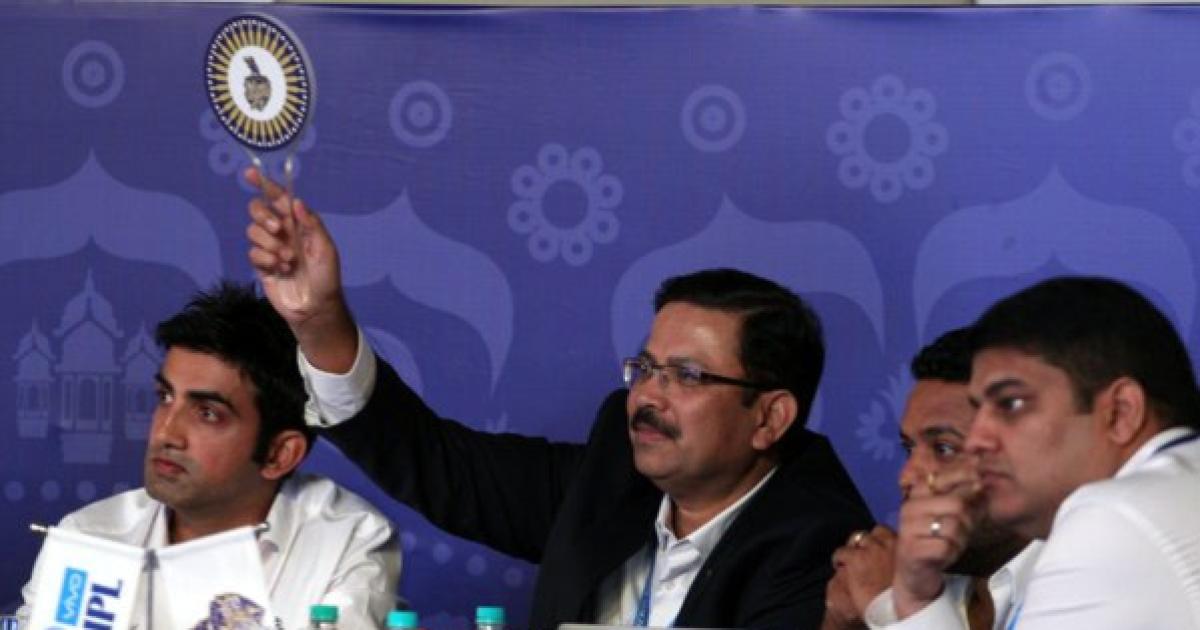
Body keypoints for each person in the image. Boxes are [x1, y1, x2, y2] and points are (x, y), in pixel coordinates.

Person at [243, 167, 873, 628]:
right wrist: (319, 321)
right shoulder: (616, 466)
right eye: (646, 367)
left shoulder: (817, 543)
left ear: (769, 417)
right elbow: (438, 464)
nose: (648, 396)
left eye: (686, 376)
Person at [18, 282, 400, 630]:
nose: (165, 433)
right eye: (165, 397)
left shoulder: (346, 540)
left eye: (208, 414)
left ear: (279, 454)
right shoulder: (89, 537)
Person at [878, 276, 1200, 629]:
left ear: (1121, 412)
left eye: (1011, 404)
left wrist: (915, 602)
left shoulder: (1111, 520)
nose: (977, 441)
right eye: (979, 410)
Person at [819, 328, 1033, 630]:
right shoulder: (936, 578)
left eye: (944, 449)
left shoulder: (1086, 580)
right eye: (909, 449)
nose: (906, 477)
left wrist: (896, 606)